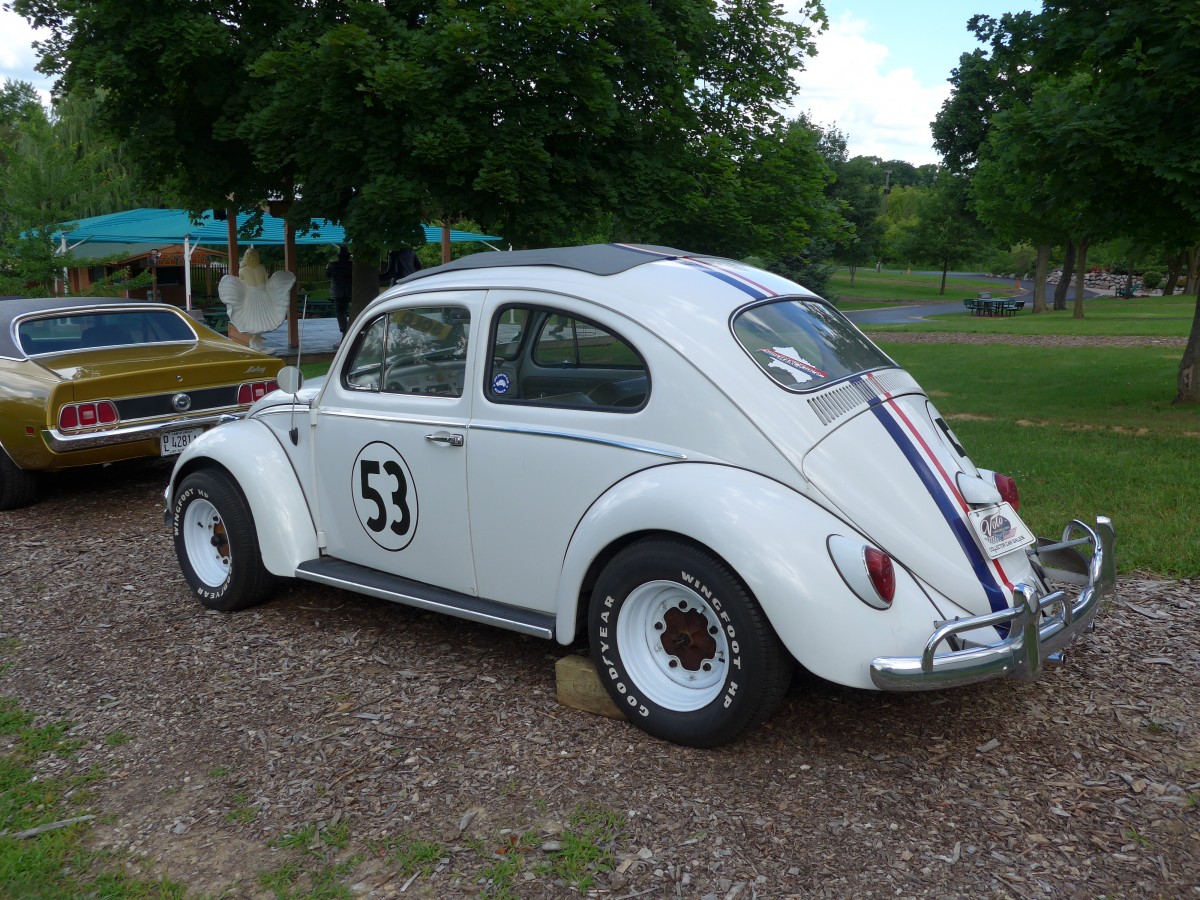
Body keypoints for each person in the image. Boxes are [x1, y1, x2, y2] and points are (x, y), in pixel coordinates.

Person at [326, 246, 353, 334]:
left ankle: (344, 330)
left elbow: (327, 274)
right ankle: (347, 330)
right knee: (344, 312)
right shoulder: (352, 265)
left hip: (338, 292)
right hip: (350, 291)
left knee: (340, 313)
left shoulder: (332, 265)